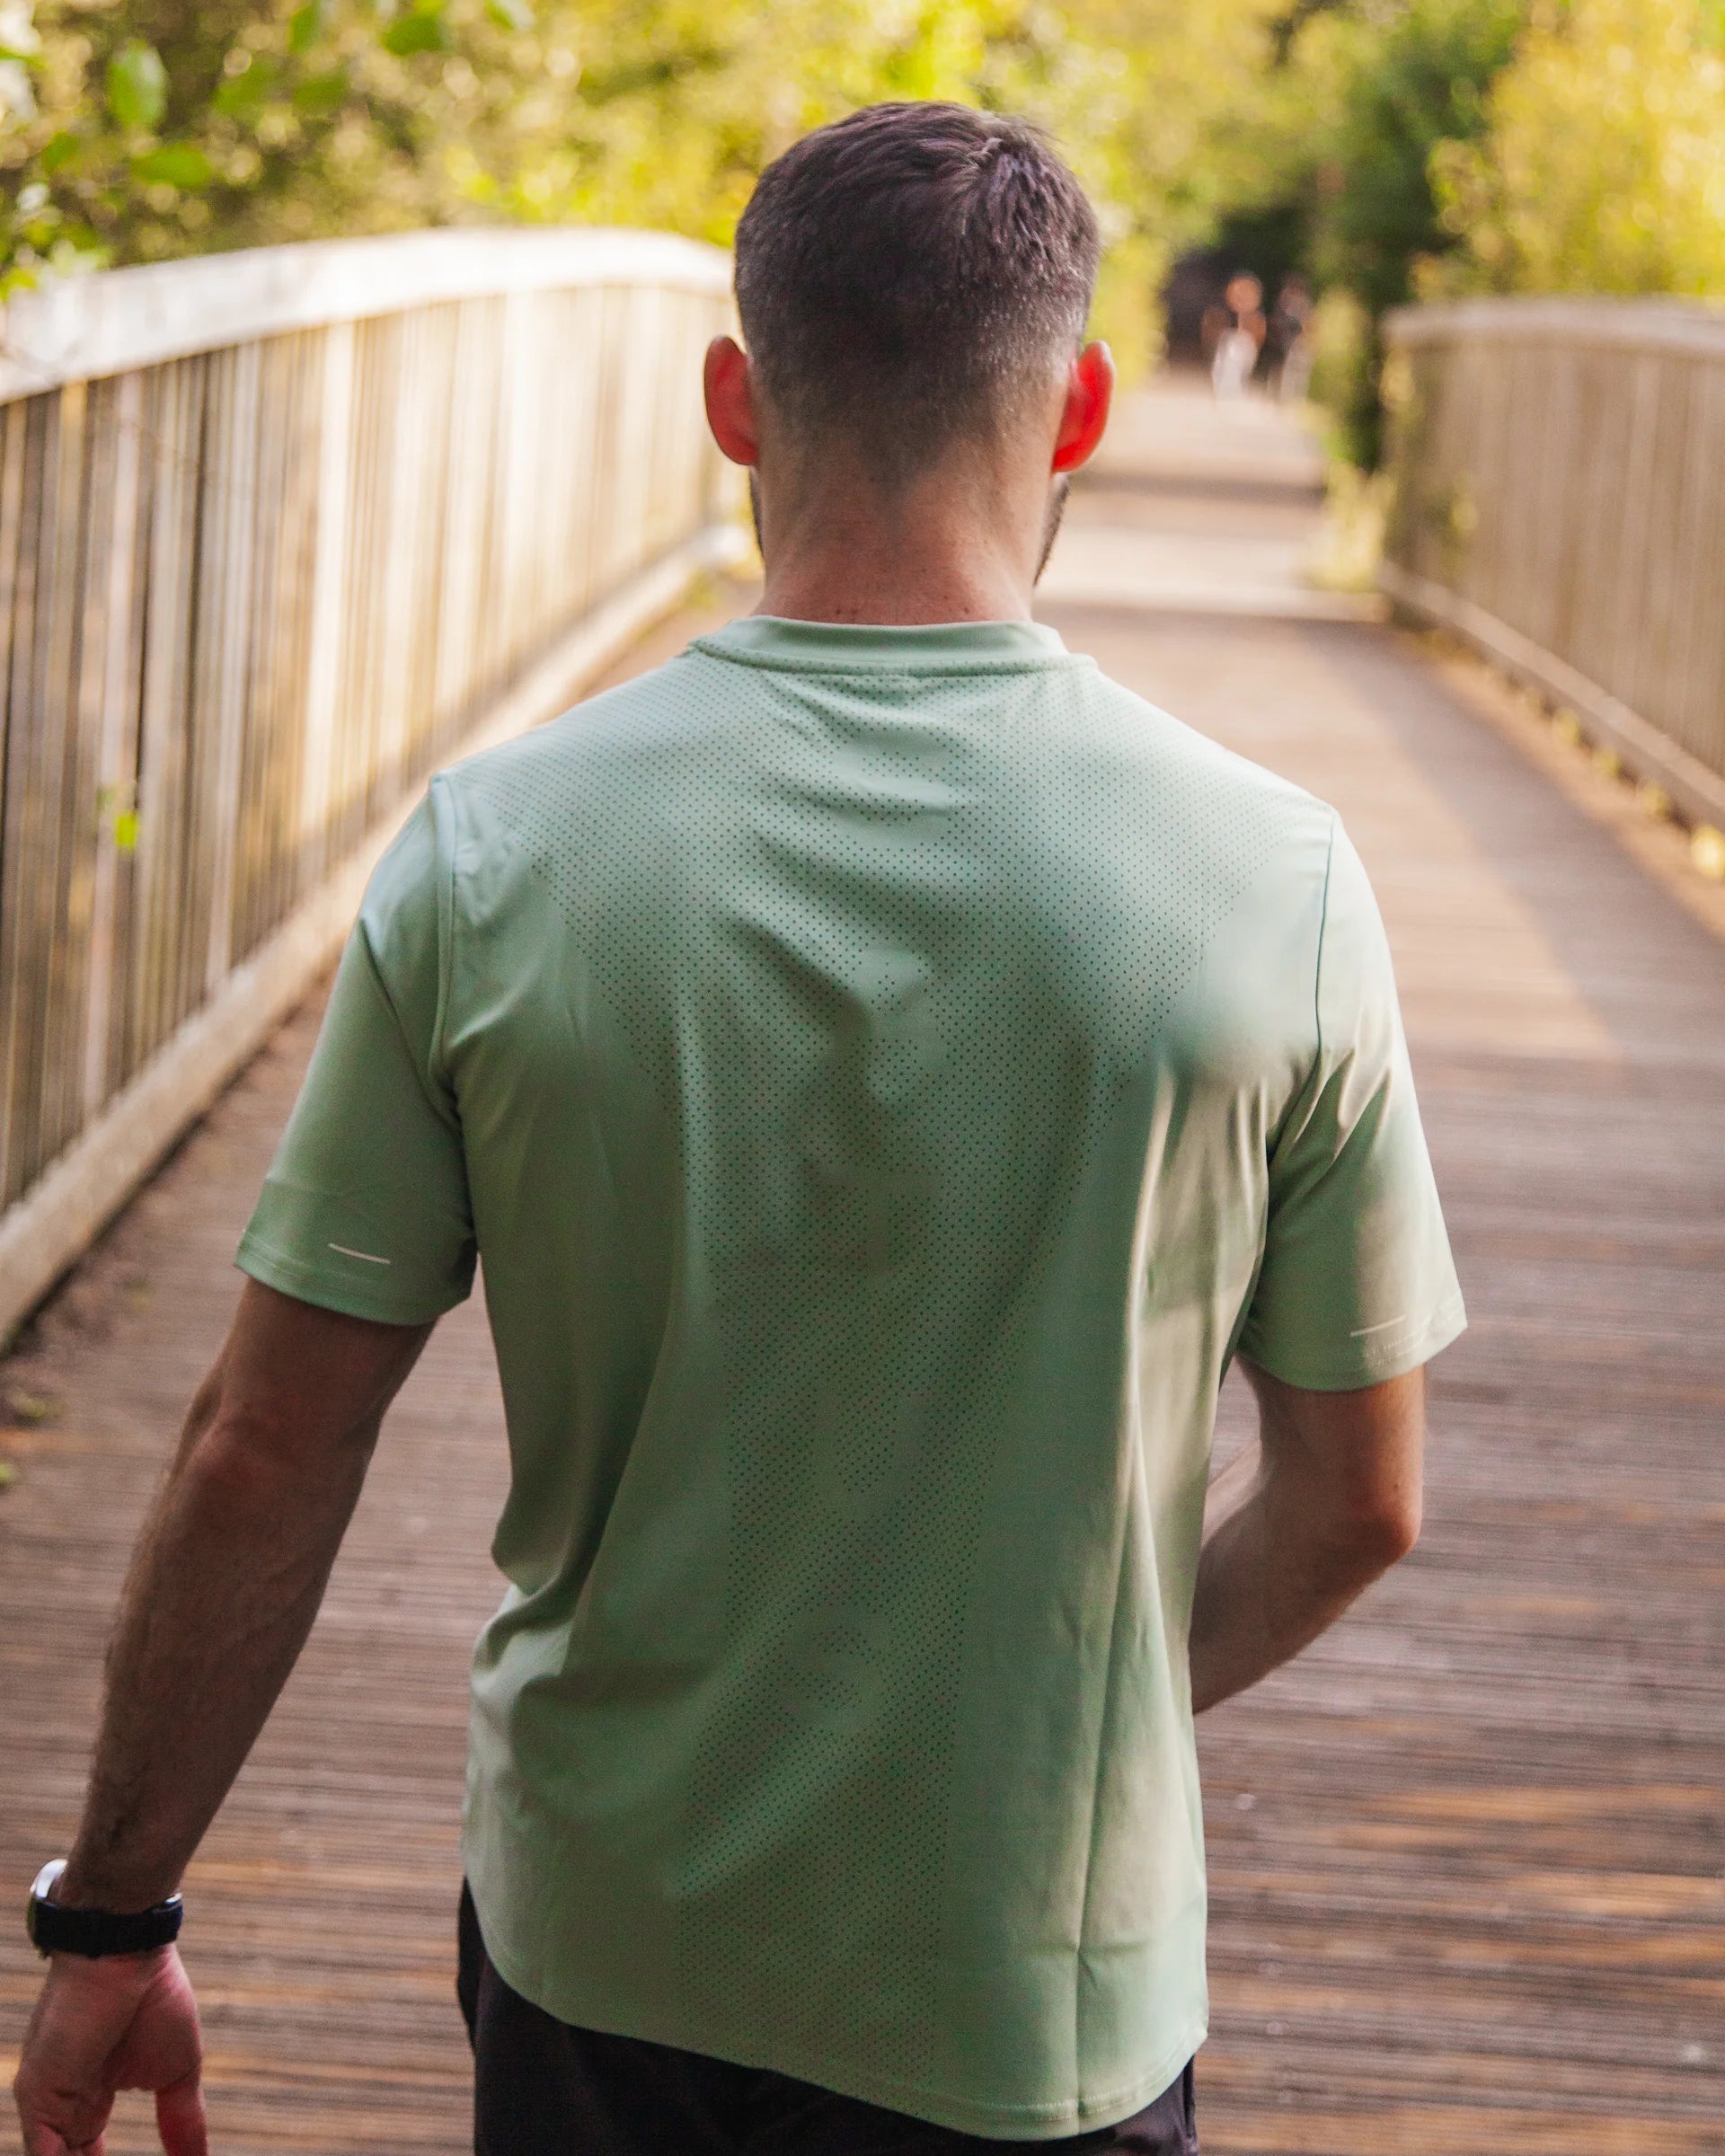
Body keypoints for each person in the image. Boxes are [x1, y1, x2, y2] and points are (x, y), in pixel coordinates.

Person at [13, 102, 1464, 2156]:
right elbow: (1359, 1499)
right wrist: (1056, 1732)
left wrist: (116, 1910)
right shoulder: (1275, 881)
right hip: (1030, 1983)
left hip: (603, 1945)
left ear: (729, 399)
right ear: (1081, 414)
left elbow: (266, 1440)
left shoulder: (500, 848)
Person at [1205, 271, 1265, 399]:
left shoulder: (1254, 315)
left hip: (1244, 341)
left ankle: (1234, 394)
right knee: (1224, 368)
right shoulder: (1224, 310)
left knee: (1239, 369)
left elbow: (1259, 330)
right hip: (1231, 339)